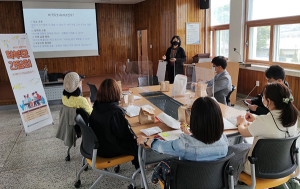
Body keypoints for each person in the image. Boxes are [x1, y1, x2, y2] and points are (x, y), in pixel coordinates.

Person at [137, 97, 228, 184]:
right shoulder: (224, 141)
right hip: (213, 183)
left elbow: (162, 147)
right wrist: (190, 135)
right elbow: (203, 145)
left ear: (195, 121)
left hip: (188, 183)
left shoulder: (185, 144)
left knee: (163, 165)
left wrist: (146, 140)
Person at [237, 83, 298, 175]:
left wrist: (241, 123)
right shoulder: (293, 117)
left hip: (257, 169)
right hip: (283, 166)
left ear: (268, 101)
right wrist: (256, 119)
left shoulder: (264, 121)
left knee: (232, 151)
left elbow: (243, 133)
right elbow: (272, 125)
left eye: (264, 97)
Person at [89, 78, 139, 169]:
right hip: (109, 149)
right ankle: (140, 168)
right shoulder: (115, 111)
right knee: (138, 143)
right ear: (116, 93)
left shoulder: (96, 106)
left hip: (98, 147)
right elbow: (126, 135)